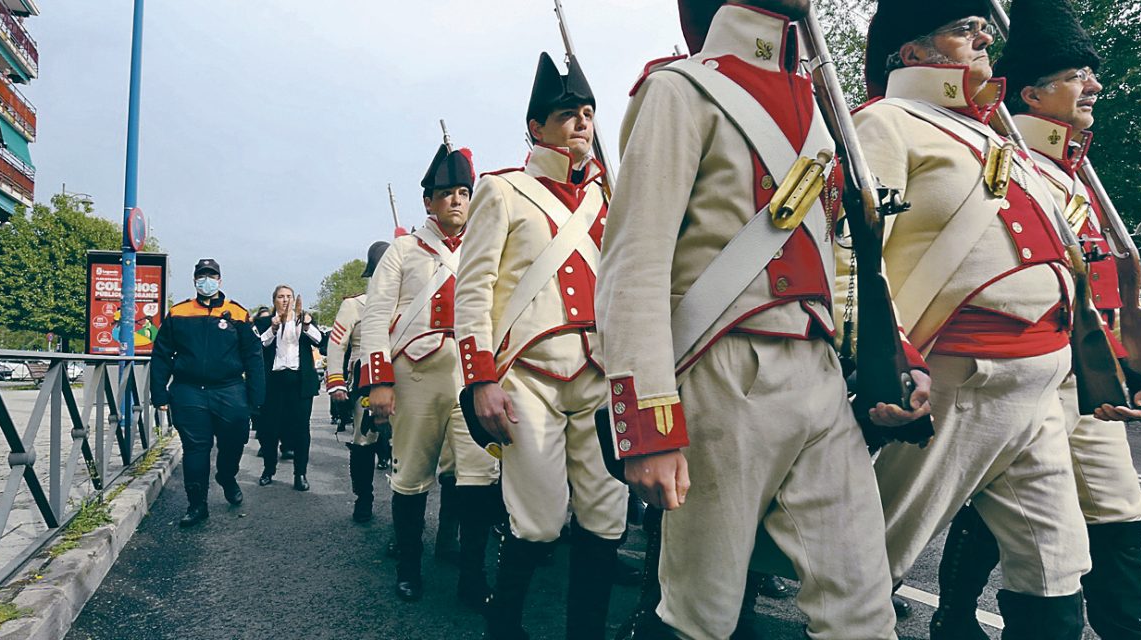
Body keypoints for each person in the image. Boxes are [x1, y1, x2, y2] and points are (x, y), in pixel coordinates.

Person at [597, 2, 929, 638]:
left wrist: (897, 356)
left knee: (864, 612)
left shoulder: (820, 107)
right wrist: (648, 427)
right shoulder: (681, 89)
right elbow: (634, 266)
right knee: (700, 615)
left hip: (819, 369)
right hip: (724, 370)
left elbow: (841, 262)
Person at [854, 0, 1141, 633]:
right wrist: (882, 362)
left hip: (1041, 378)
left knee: (1056, 567)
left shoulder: (995, 137)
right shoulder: (884, 122)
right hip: (960, 375)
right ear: (912, 52)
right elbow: (853, 261)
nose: (985, 36)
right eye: (964, 28)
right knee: (867, 558)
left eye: (983, 26)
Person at [456, 51, 628, 639]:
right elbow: (473, 290)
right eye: (567, 114)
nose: (582, 122)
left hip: (600, 373)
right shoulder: (503, 190)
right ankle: (503, 624)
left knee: (606, 516)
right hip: (528, 377)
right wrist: (480, 378)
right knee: (539, 521)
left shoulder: (610, 196)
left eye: (588, 113)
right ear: (536, 126)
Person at [360, 142, 502, 605]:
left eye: (464, 192)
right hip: (416, 376)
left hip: (472, 376)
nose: (457, 200)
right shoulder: (404, 250)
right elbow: (376, 318)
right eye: (446, 194)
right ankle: (409, 569)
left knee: (479, 475)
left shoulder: (486, 245)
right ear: (428, 201)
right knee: (412, 476)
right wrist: (379, 381)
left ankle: (472, 576)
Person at [149, 258, 264, 527]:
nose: (206, 280)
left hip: (229, 390)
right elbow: (161, 355)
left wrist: (256, 398)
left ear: (219, 280)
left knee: (233, 442)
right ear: (194, 280)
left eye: (211, 276)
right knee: (196, 449)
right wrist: (159, 393)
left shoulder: (237, 314)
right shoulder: (179, 313)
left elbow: (254, 357)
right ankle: (197, 504)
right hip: (189, 391)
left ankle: (226, 476)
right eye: (202, 276)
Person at [326, 241, 391, 522]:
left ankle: (404, 510)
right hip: (365, 380)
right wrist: (336, 382)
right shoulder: (355, 305)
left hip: (405, 380)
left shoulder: (410, 303)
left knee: (406, 446)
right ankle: (363, 498)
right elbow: (336, 344)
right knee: (364, 440)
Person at [255, 285, 324, 491]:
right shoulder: (264, 322)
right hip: (274, 382)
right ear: (274, 300)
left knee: (301, 429)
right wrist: (273, 329)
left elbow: (321, 341)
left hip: (299, 382)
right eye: (280, 297)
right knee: (270, 428)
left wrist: (306, 325)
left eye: (288, 297)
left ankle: (300, 473)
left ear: (294, 300)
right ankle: (269, 469)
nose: (285, 300)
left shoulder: (304, 319)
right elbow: (257, 346)